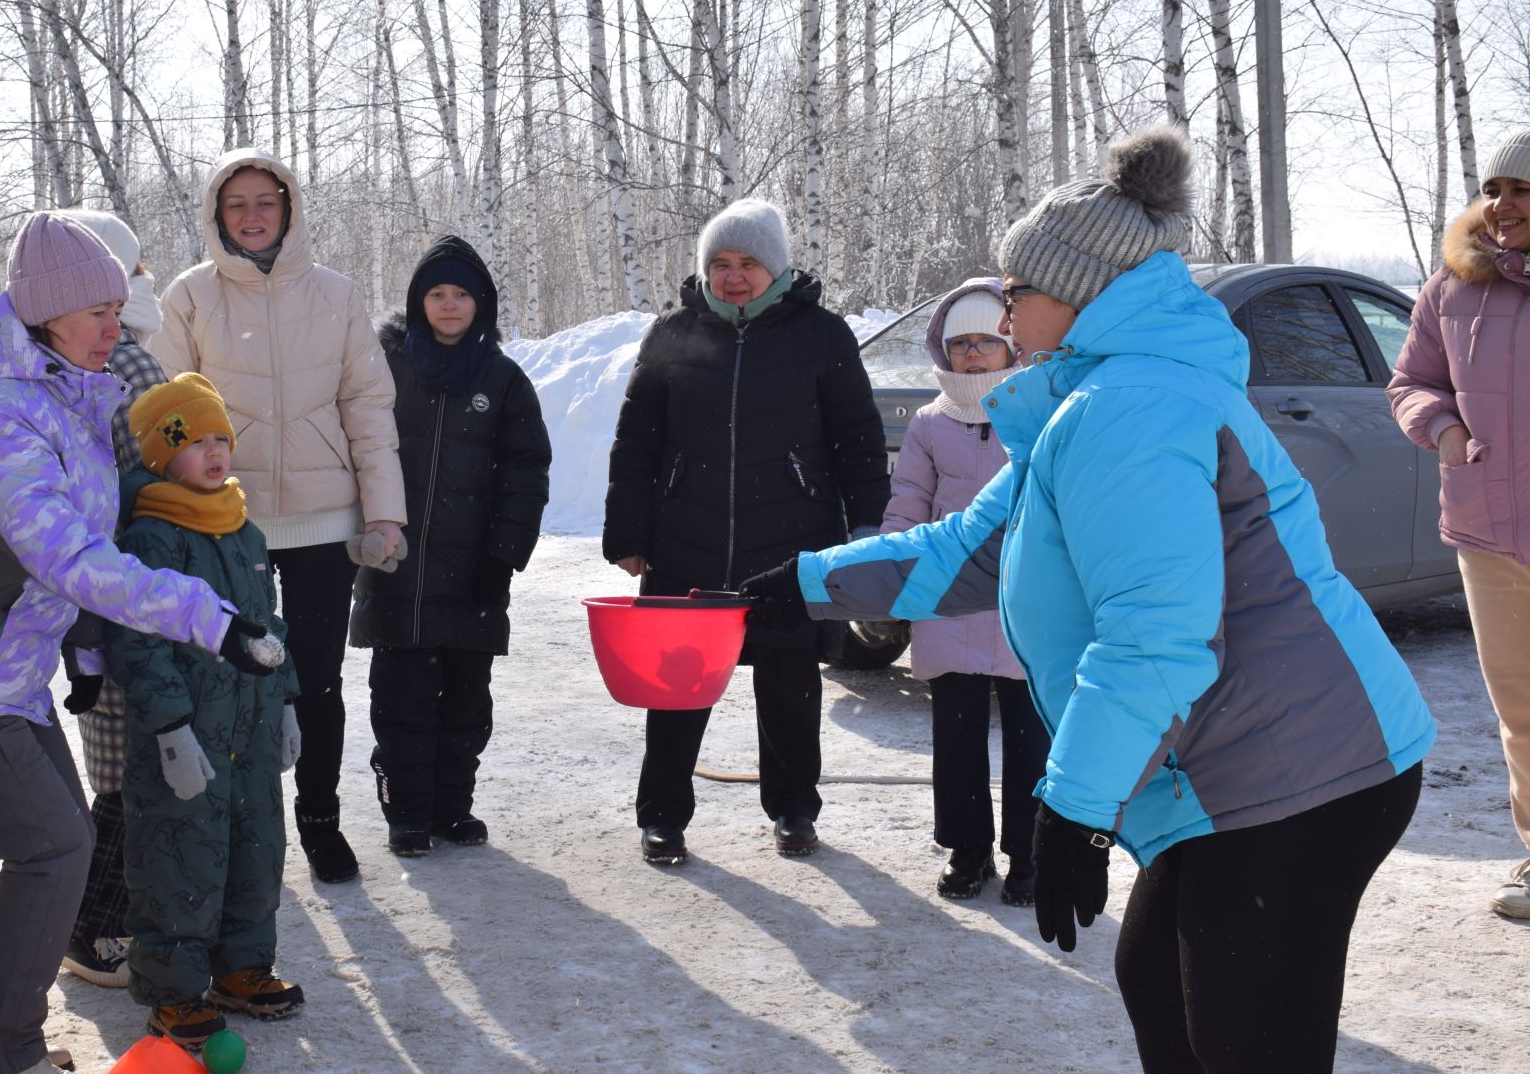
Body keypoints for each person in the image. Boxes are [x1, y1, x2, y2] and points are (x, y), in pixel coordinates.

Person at [742, 126, 1436, 1073]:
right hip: (1247, 759)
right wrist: (808, 586)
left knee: (1242, 1041)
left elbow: (1152, 637)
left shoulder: (1130, 413)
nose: (1006, 303)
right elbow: (969, 551)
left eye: (1018, 288)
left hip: (1298, 770)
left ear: (1078, 294)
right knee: (1161, 984)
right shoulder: (1089, 399)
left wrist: (1074, 810)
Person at [0, 213, 266, 1074]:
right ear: (45, 313)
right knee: (54, 850)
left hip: (4, 678)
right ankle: (5, 1053)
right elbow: (65, 554)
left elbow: (84, 552)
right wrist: (207, 616)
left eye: (118, 310)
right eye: (96, 312)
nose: (113, 330)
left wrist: (84, 660)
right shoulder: (0, 418)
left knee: (47, 851)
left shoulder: (70, 404)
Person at [602, 200, 888, 866]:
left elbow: (857, 443)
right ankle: (663, 818)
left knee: (790, 687)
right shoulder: (673, 333)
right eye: (721, 264)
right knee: (676, 691)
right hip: (686, 543)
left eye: (749, 264)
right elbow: (637, 442)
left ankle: (793, 811)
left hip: (790, 545)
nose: (733, 277)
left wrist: (869, 530)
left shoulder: (822, 336)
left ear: (777, 268)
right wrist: (628, 531)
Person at [155, 149, 407, 883]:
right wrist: (172, 511)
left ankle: (320, 819)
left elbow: (368, 406)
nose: (254, 215)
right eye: (238, 204)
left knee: (319, 678)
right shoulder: (191, 297)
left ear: (289, 208)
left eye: (266, 200)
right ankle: (240, 824)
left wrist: (383, 511)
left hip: (324, 519)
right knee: (228, 674)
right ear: (217, 215)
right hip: (222, 521)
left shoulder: (334, 294)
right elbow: (163, 413)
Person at [104, 373, 304, 1047]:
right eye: (197, 442)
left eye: (223, 438)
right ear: (162, 455)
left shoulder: (243, 528)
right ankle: (174, 990)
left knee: (256, 848)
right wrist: (168, 727)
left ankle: (243, 965)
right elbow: (137, 641)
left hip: (248, 724)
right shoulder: (151, 539)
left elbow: (266, 624)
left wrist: (286, 701)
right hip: (188, 733)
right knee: (180, 857)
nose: (216, 453)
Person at [348, 236, 551, 856]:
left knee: (466, 699)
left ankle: (452, 807)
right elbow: (353, 448)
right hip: (396, 566)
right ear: (418, 302)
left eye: (461, 293)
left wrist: (504, 556)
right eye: (436, 293)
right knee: (403, 697)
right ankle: (407, 811)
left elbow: (527, 472)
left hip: (474, 571)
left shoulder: (503, 380)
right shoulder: (384, 370)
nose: (449, 304)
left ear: (480, 303)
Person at [1389, 127, 1530, 919]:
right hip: (1488, 528)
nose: (1502, 205)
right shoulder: (1453, 285)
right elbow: (1411, 379)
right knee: (1521, 707)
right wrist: (1443, 430)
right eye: (1493, 189)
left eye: (1522, 190)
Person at [880, 278, 1049, 905]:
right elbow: (908, 501)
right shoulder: (929, 422)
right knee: (956, 735)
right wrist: (899, 562)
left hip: (1025, 600)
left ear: (1011, 345)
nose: (973, 355)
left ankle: (1031, 856)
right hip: (948, 594)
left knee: (1034, 739)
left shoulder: (1042, 408)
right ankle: (967, 849)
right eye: (960, 345)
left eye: (985, 341)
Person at [55, 209, 168, 988]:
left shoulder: (95, 357)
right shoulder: (127, 364)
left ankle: (98, 917)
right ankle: (92, 924)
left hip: (92, 585)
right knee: (132, 770)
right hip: (131, 588)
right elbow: (166, 473)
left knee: (119, 760)